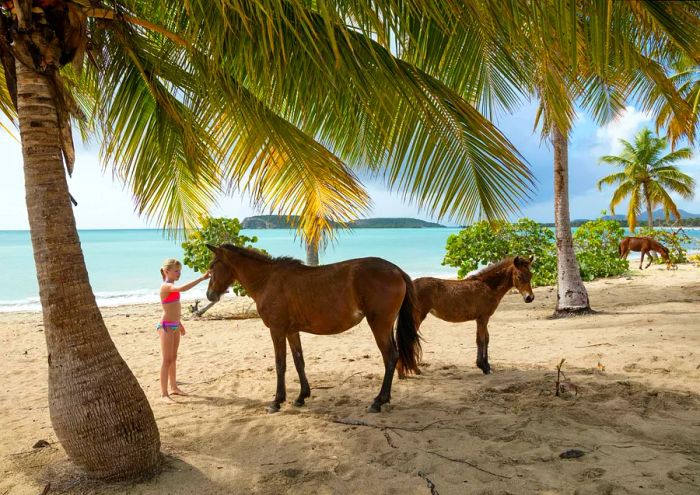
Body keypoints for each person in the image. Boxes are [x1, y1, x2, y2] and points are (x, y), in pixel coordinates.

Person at [158, 258, 210, 403]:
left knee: (173, 358)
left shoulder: (171, 286)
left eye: (180, 271)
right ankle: (164, 394)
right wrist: (201, 278)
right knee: (166, 360)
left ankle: (174, 387)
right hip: (166, 326)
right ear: (167, 271)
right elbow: (182, 289)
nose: (179, 273)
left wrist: (179, 323)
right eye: (176, 271)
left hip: (175, 325)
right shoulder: (165, 286)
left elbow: (174, 307)